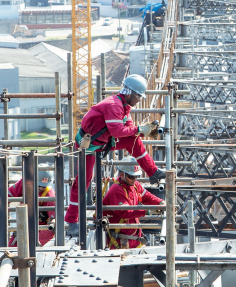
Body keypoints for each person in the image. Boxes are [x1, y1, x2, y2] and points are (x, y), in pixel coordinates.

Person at [65, 74, 166, 237]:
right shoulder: (114, 105)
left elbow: (129, 128)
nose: (139, 99)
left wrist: (143, 132)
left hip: (101, 143)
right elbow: (117, 131)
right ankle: (71, 221)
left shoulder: (125, 107)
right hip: (88, 147)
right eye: (138, 96)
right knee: (82, 182)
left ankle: (153, 172)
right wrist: (139, 129)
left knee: (133, 139)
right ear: (129, 93)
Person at [103, 158, 164, 249]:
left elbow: (147, 197)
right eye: (131, 177)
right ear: (122, 174)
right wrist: (147, 211)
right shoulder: (116, 190)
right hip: (120, 242)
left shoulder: (135, 185)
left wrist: (161, 202)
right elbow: (125, 212)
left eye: (136, 176)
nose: (134, 179)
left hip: (136, 239)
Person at [7, 167, 56, 246]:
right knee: (12, 247)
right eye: (38, 185)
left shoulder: (49, 195)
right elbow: (9, 194)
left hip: (40, 228)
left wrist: (36, 241)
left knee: (34, 250)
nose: (40, 188)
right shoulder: (25, 183)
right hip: (23, 223)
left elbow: (53, 223)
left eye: (43, 186)